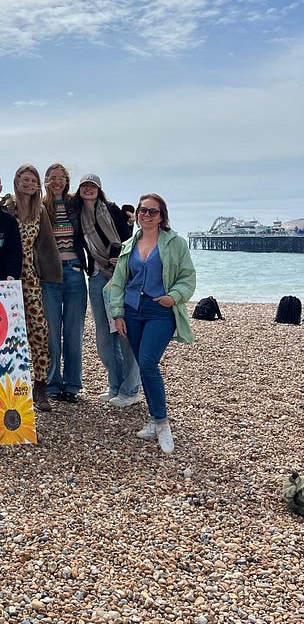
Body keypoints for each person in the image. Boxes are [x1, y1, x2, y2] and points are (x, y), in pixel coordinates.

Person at [109, 193, 196, 454]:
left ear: (162, 216)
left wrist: (174, 297)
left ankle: (162, 423)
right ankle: (154, 418)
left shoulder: (175, 243)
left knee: (147, 362)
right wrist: (118, 313)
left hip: (160, 310)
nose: (146, 215)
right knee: (145, 367)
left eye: (152, 212)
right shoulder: (129, 244)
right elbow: (119, 282)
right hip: (132, 310)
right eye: (142, 211)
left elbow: (187, 277)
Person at [70, 174, 141, 407]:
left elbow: (129, 239)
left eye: (93, 186)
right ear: (79, 189)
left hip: (121, 275)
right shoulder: (77, 214)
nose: (88, 189)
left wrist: (121, 259)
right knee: (104, 335)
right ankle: (115, 385)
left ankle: (130, 389)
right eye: (84, 186)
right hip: (97, 275)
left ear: (99, 189)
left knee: (124, 332)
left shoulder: (112, 210)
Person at [2, 165, 61, 413]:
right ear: (16, 181)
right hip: (5, 276)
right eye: (24, 179)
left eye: (33, 180)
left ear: (38, 185)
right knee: (7, 331)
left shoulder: (40, 211)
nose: (28, 184)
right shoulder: (7, 207)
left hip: (30, 276)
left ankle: (40, 384)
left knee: (39, 329)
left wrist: (53, 274)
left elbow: (47, 244)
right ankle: (7, 385)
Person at [41, 163, 88, 403]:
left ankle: (71, 385)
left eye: (61, 178)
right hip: (49, 274)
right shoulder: (39, 206)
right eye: (52, 177)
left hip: (75, 271)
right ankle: (52, 383)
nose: (57, 181)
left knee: (73, 332)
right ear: (46, 180)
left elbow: (98, 210)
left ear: (67, 181)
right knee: (50, 331)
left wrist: (126, 219)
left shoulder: (74, 204)